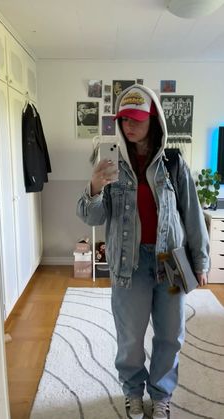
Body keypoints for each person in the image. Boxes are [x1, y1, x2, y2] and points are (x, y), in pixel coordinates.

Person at [76, 84, 210, 419]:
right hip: (128, 264)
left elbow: (192, 216)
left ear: (154, 119)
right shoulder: (110, 163)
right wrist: (94, 187)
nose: (129, 126)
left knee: (170, 335)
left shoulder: (174, 163)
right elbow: (92, 216)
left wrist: (200, 260)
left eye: (137, 119)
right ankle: (133, 393)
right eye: (123, 119)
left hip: (172, 261)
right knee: (130, 338)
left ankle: (161, 394)